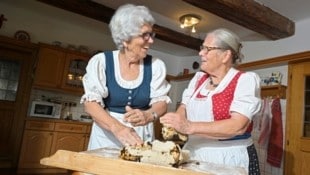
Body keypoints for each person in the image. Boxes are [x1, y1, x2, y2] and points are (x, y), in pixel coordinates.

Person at [160, 28, 261, 174]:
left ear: (226, 55)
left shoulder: (245, 80)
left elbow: (237, 126)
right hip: (193, 153)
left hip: (229, 157)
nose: (201, 53)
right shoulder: (198, 79)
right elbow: (184, 107)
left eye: (208, 49)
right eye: (202, 48)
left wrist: (189, 127)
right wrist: (175, 121)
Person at [80, 4, 171, 150]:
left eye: (151, 34)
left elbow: (162, 103)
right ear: (125, 39)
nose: (151, 41)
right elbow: (90, 104)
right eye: (144, 35)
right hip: (107, 135)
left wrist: (148, 115)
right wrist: (118, 128)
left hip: (141, 136)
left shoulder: (156, 65)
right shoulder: (101, 61)